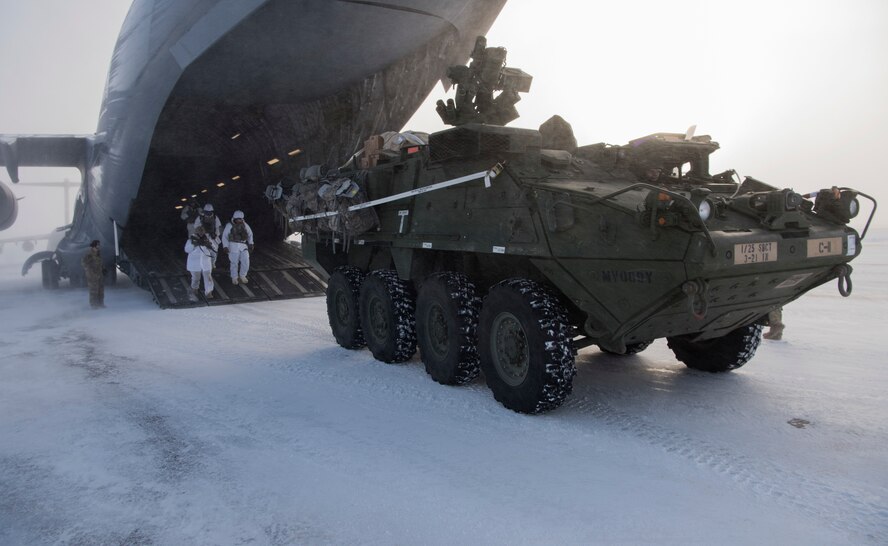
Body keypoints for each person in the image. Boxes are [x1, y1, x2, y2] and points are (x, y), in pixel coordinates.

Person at [221, 209, 254, 285]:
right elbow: (225, 236)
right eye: (238, 219)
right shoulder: (229, 225)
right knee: (234, 262)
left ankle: (242, 275)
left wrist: (251, 243)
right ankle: (234, 277)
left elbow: (250, 234)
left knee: (246, 261)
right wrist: (225, 246)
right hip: (232, 246)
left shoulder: (245, 225)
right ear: (235, 218)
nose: (240, 220)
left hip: (243, 245)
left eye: (241, 219)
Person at [185, 225, 217, 298]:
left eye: (202, 231)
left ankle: (209, 292)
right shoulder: (191, 240)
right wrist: (194, 245)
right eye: (199, 231)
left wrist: (210, 245)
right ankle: (194, 289)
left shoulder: (207, 239)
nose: (201, 233)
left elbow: (214, 249)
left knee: (208, 278)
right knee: (196, 278)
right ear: (196, 232)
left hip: (206, 262)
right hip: (195, 262)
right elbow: (187, 250)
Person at [81, 239, 105, 309]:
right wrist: (90, 271)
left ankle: (101, 303)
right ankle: (94, 305)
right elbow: (84, 263)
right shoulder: (89, 254)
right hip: (92, 275)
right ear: (94, 246)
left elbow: (100, 262)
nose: (99, 246)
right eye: (98, 245)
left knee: (101, 290)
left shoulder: (98, 253)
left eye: (99, 245)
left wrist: (103, 268)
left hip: (99, 274)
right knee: (93, 290)